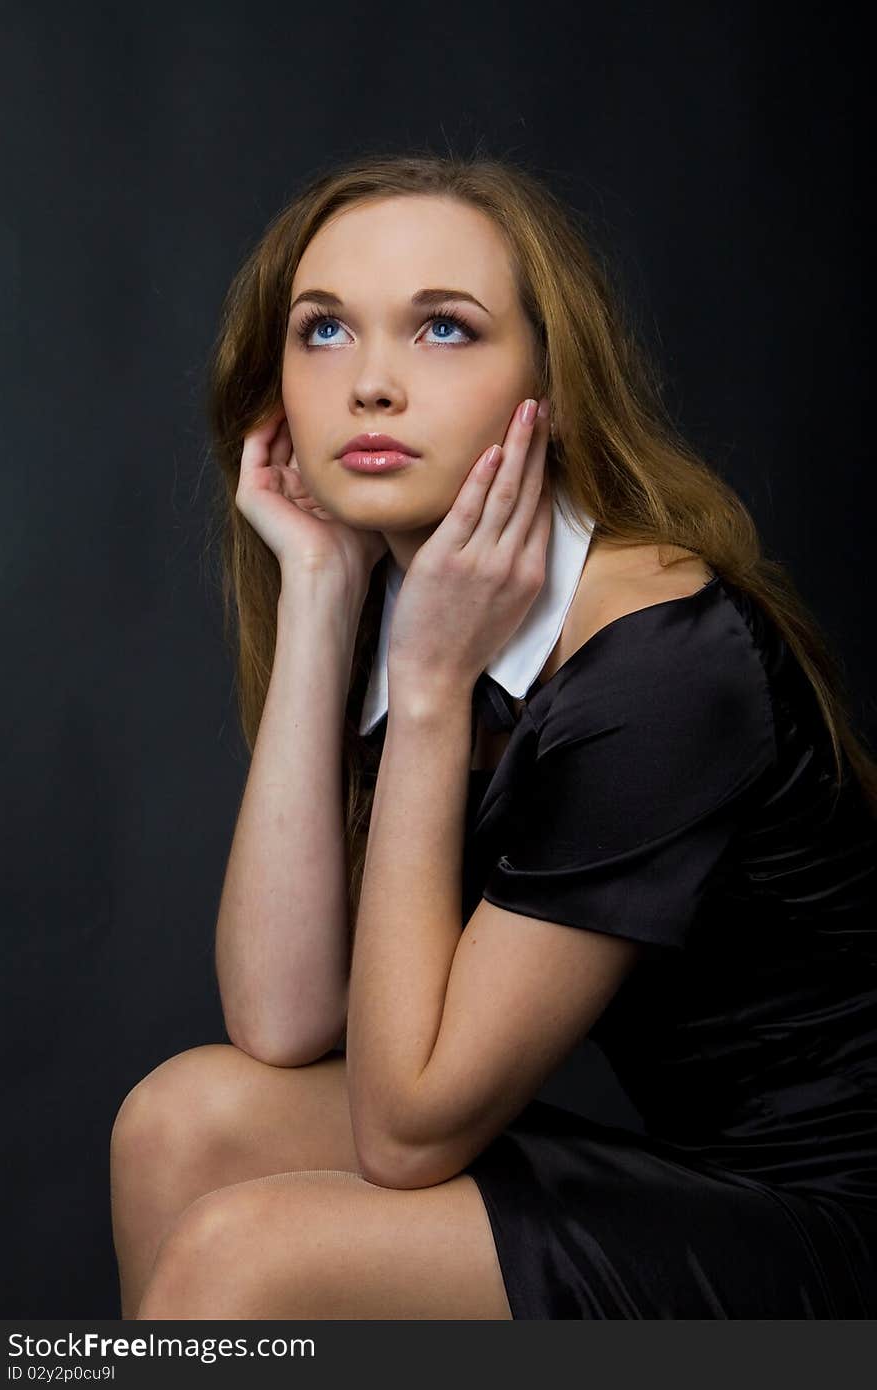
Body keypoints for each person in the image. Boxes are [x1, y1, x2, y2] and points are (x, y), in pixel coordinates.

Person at [109, 151, 877, 1320]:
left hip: (832, 1234)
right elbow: (283, 1017)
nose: (370, 383)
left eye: (443, 330)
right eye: (323, 332)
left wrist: (427, 687)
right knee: (183, 1119)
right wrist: (320, 590)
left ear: (553, 389)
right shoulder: (428, 605)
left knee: (246, 1257)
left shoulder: (661, 656)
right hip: (690, 1184)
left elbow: (408, 1130)